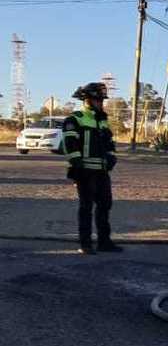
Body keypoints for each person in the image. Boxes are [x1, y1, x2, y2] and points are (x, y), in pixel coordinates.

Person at [61, 82, 119, 255]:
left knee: (105, 205)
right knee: (86, 207)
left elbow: (108, 142)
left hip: (101, 171)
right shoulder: (75, 119)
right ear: (87, 100)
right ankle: (85, 244)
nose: (101, 103)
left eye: (102, 100)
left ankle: (104, 242)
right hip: (84, 171)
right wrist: (77, 166)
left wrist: (111, 156)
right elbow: (70, 145)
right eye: (98, 100)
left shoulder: (102, 120)